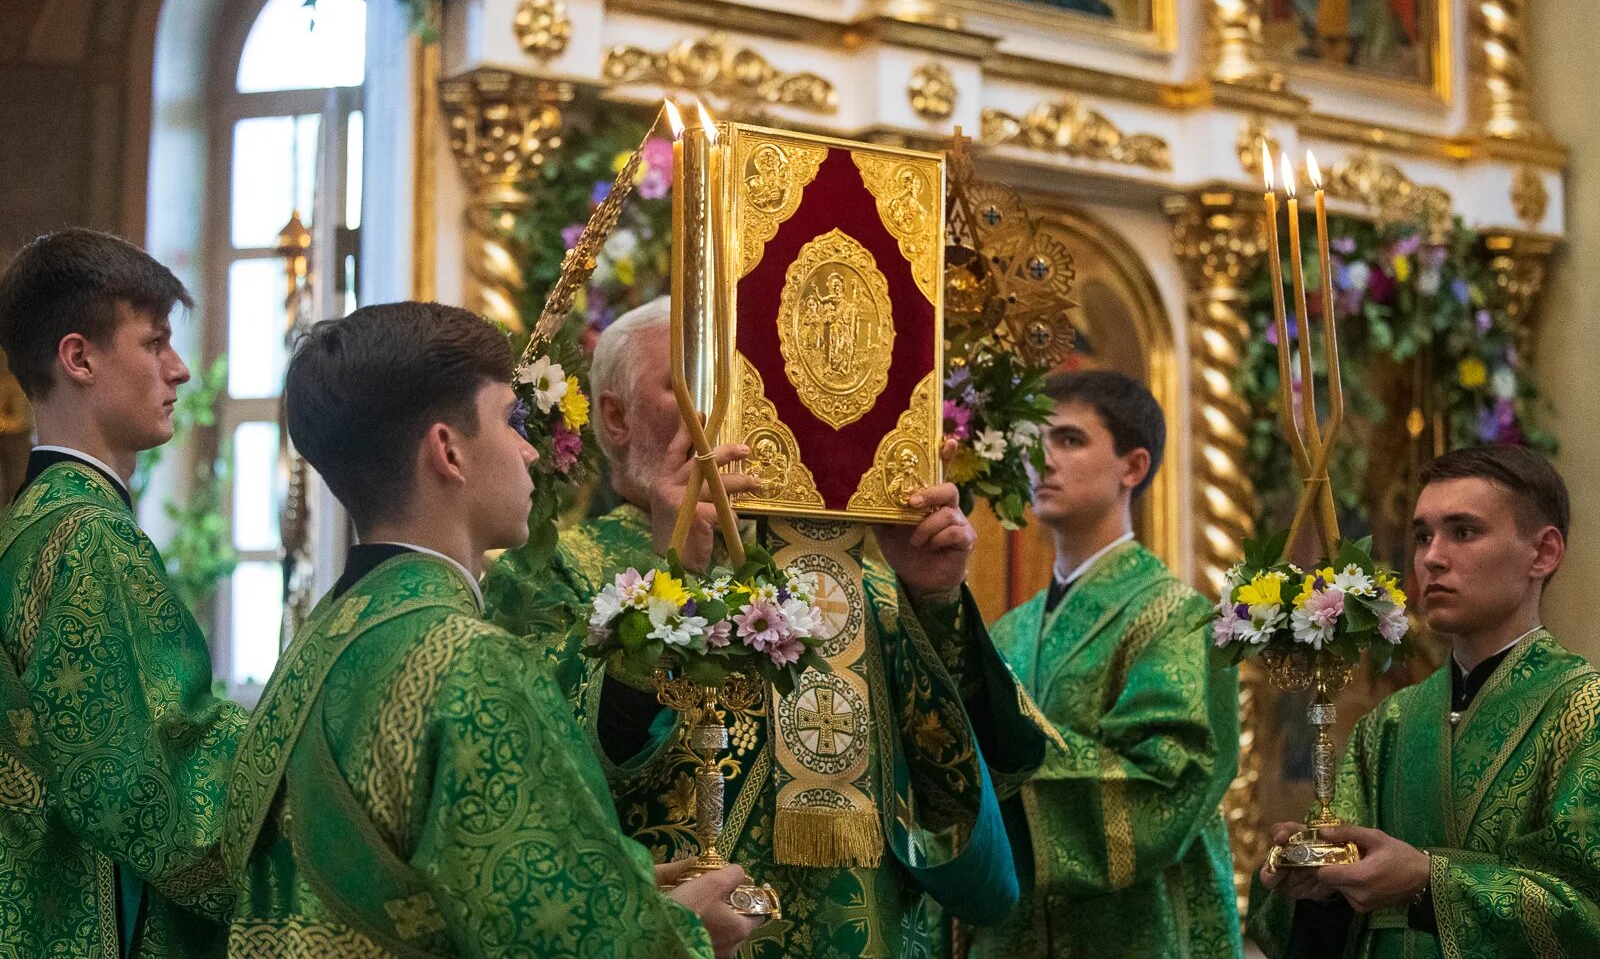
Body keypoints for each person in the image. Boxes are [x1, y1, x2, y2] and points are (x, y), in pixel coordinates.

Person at [485, 297, 1047, 959]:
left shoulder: (842, 576)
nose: (726, 409)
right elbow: (541, 782)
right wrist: (670, 576)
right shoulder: (553, 570)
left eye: (744, 386)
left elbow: (955, 783)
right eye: (693, 385)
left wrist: (935, 598)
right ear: (614, 416)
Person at [221, 302, 759, 958]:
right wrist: (681, 930)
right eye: (510, 419)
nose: (532, 448)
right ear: (447, 450)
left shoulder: (319, 640)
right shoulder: (471, 663)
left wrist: (631, 885)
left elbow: (423, 881)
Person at [1251, 445, 1600, 958]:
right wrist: (1314, 885)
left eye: (1463, 532)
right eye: (1422, 536)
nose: (1432, 557)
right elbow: (1333, 921)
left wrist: (1427, 883)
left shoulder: (1584, 709)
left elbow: (1587, 913)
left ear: (1543, 553)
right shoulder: (1389, 722)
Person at [0, 228, 246, 956]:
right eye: (155, 342)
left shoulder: (31, 523)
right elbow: (148, 774)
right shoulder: (88, 538)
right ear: (79, 357)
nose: (180, 371)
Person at [970, 370, 1243, 958]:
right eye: (1035, 442)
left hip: (1136, 932)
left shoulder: (1180, 618)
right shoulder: (1009, 631)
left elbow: (1168, 781)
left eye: (1069, 440)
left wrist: (1000, 762)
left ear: (1133, 466)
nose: (1043, 461)